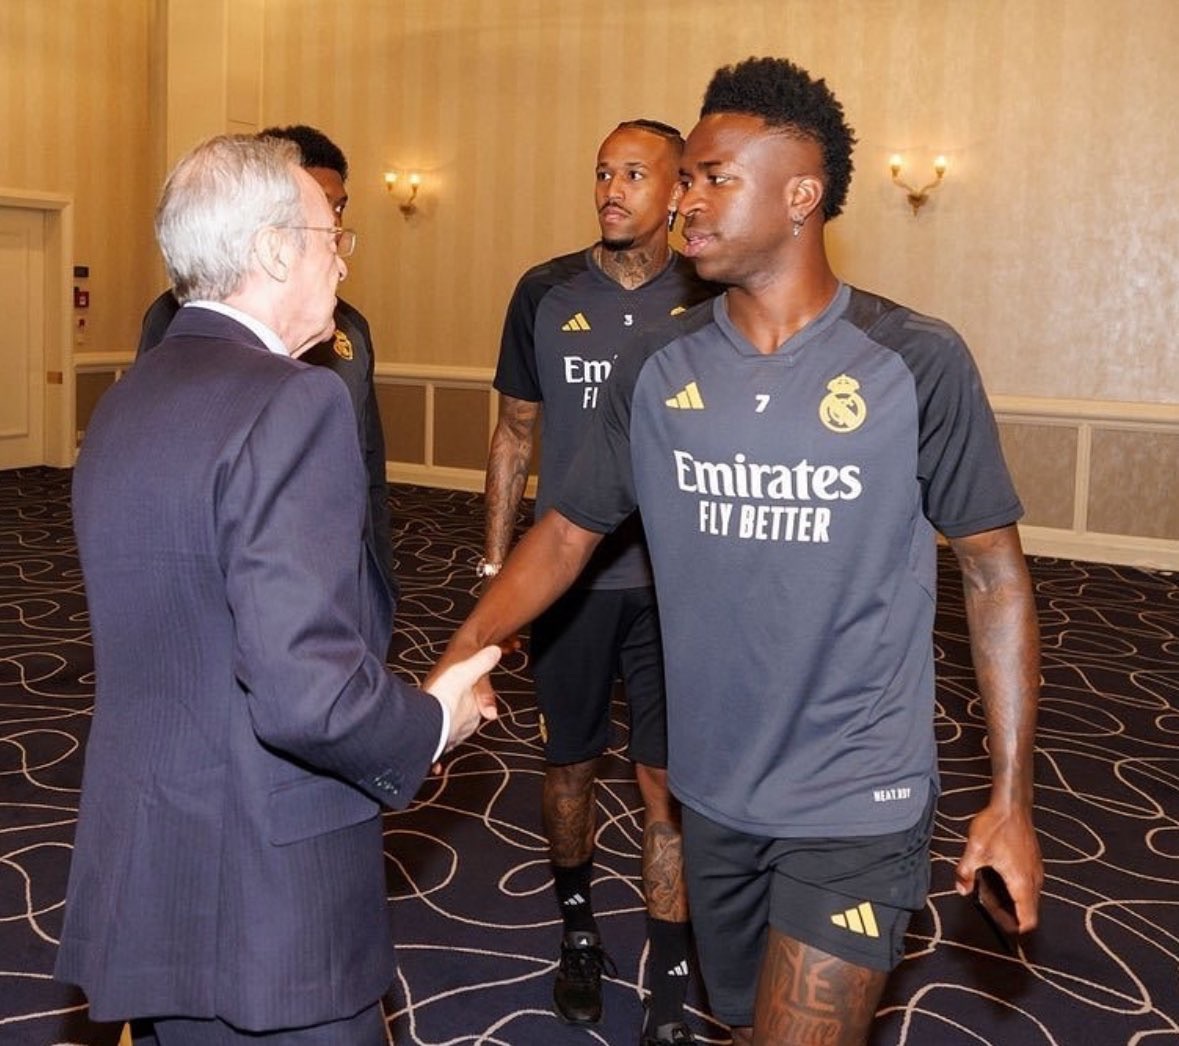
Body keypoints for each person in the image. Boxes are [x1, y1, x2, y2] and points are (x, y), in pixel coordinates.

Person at [437, 57, 1043, 1046]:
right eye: (686, 180)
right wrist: (459, 656)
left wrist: (1010, 798)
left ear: (801, 196)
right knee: (741, 1019)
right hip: (710, 784)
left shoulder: (914, 359)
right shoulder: (657, 362)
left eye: (714, 178)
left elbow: (993, 574)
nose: (686, 201)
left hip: (855, 791)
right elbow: (567, 531)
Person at [55, 134, 501, 1045]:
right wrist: (433, 721)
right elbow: (307, 693)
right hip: (267, 900)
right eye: (331, 234)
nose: (342, 257)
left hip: (152, 866)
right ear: (271, 249)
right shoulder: (294, 402)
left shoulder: (128, 397)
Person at [482, 119, 714, 1044]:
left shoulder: (709, 294)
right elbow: (513, 437)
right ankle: (577, 932)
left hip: (675, 589)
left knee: (666, 780)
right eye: (601, 173)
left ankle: (671, 974)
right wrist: (497, 572)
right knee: (569, 766)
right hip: (568, 585)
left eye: (633, 174)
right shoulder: (544, 291)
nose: (611, 190)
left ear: (678, 191)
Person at [136, 124, 396, 592]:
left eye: (340, 207)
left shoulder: (350, 329)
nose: (335, 227)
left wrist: (378, 572)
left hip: (341, 560)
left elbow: (367, 459)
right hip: (243, 571)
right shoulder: (178, 317)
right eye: (320, 206)